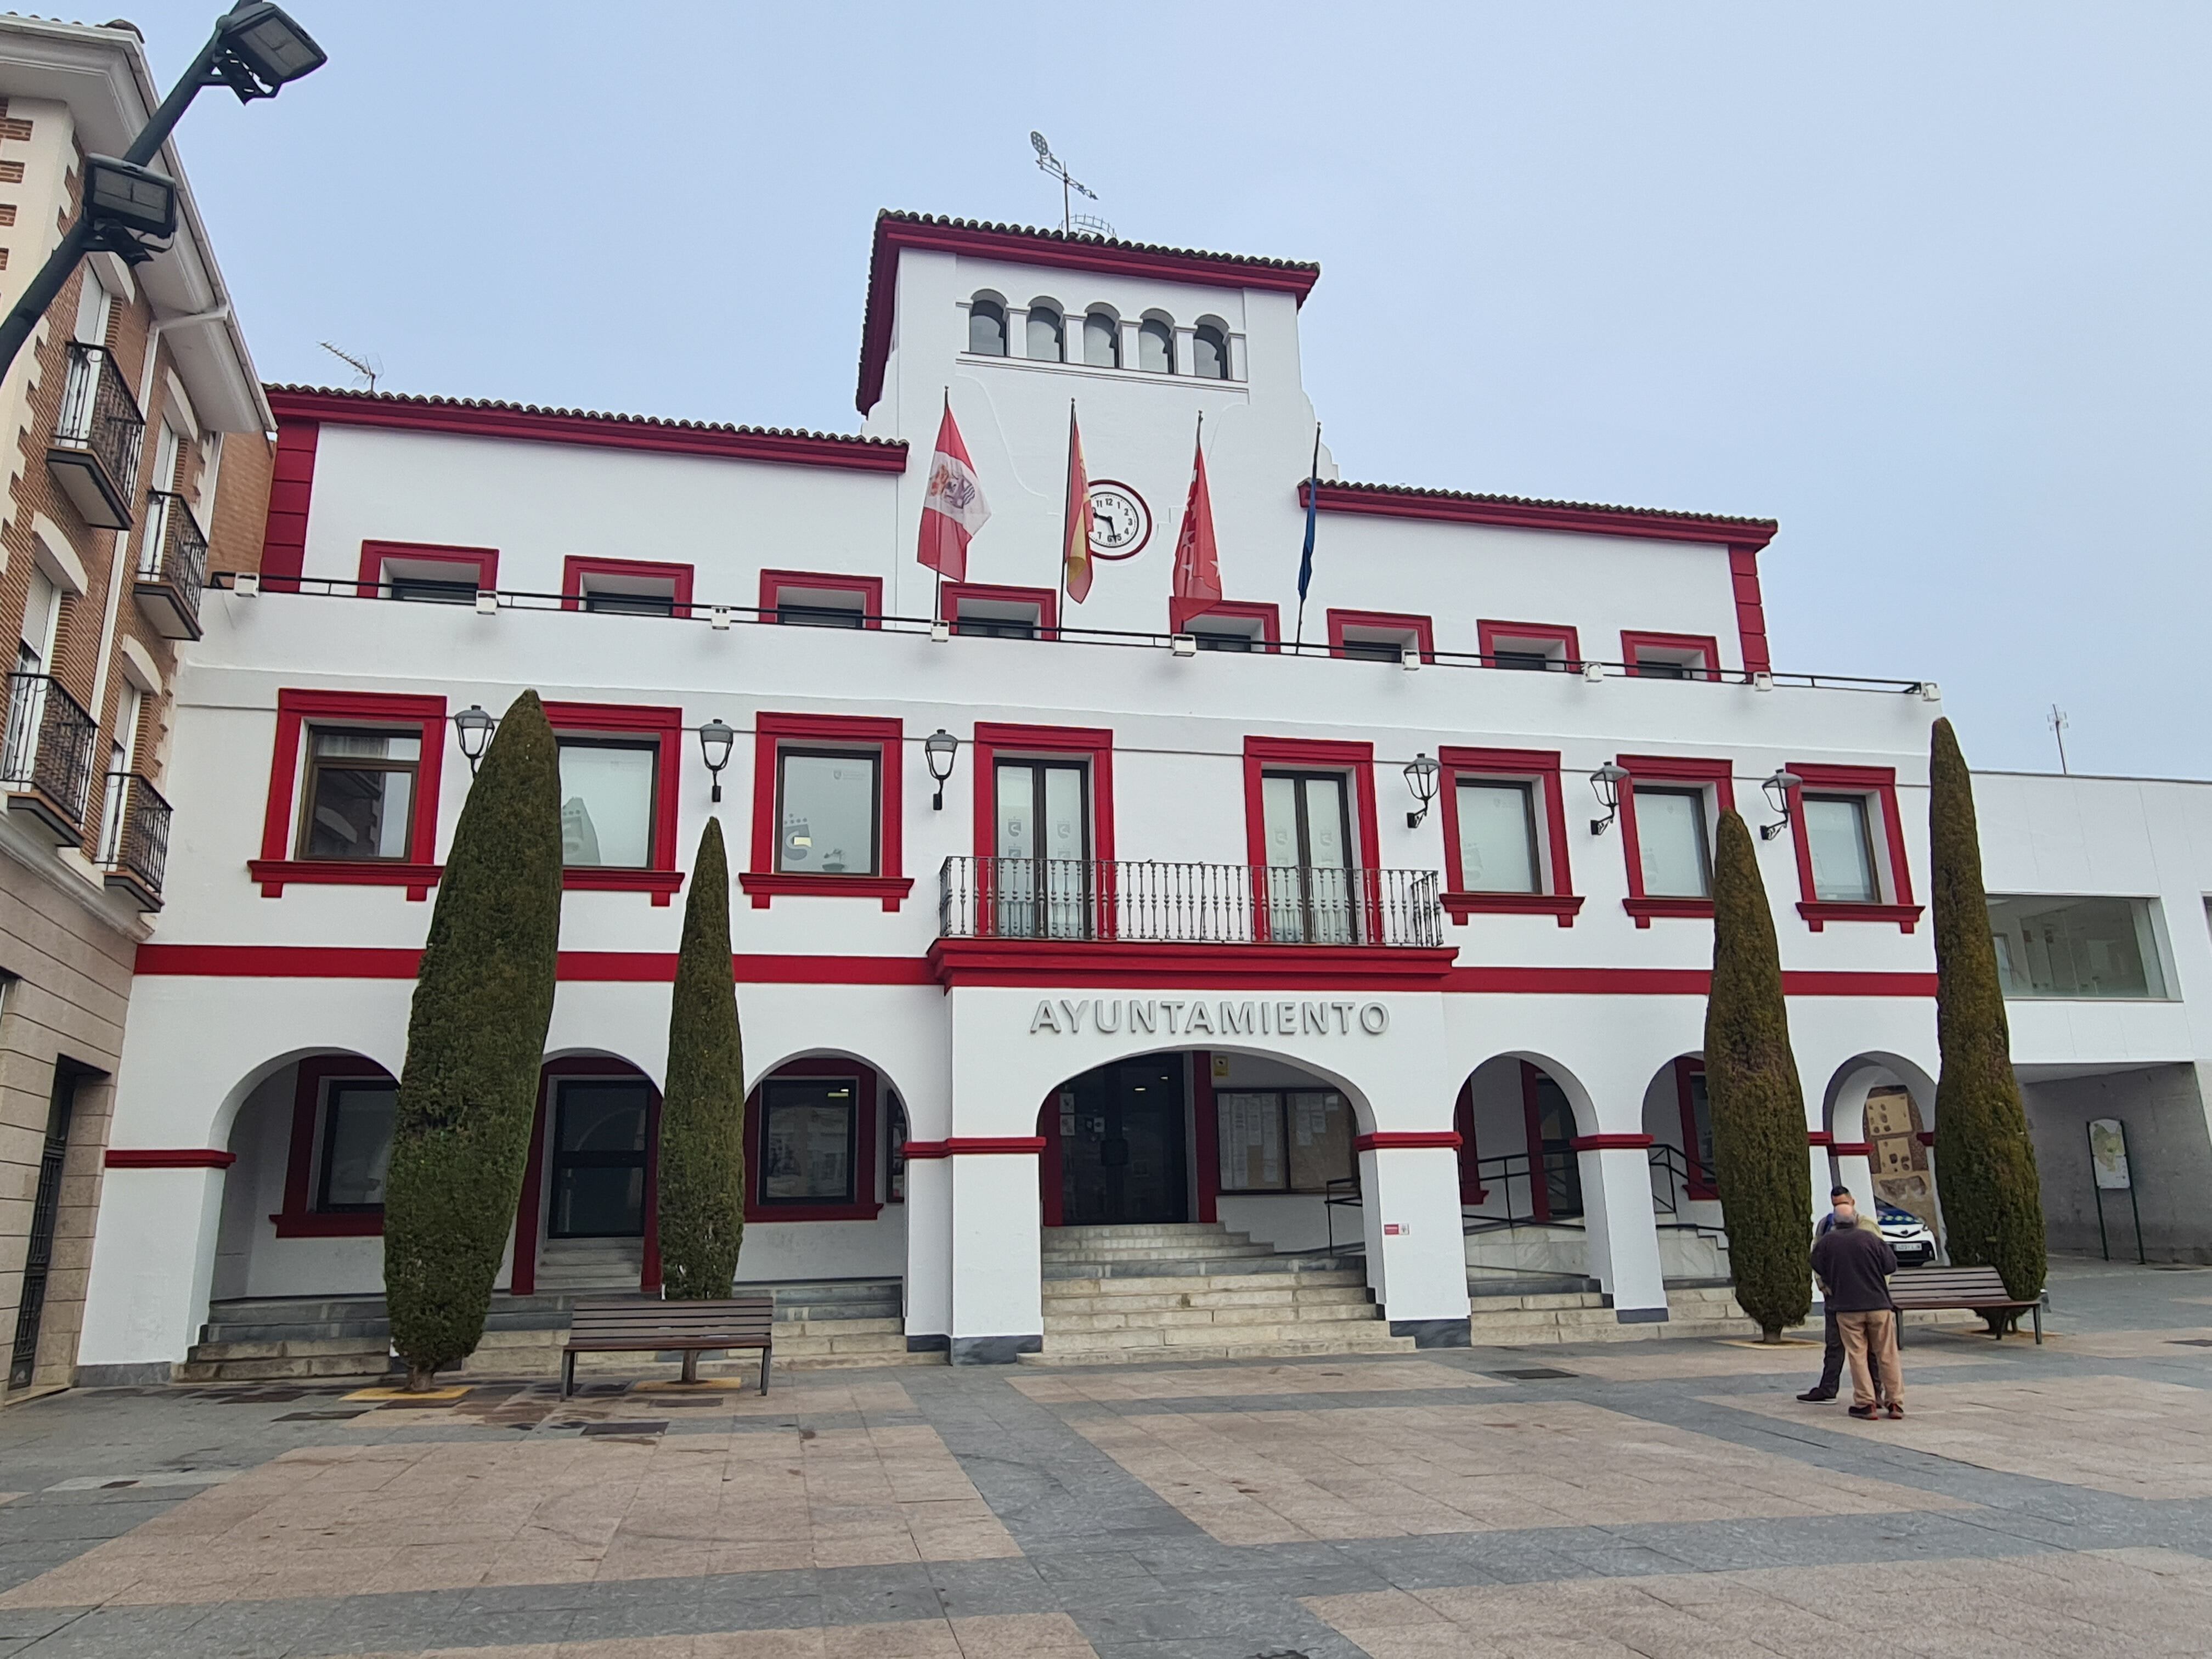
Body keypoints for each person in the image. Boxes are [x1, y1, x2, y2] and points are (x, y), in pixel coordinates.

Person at [1809, 1194, 1904, 1419]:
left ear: (1835, 1223)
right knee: (1887, 1354)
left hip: (1847, 1307)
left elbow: (1816, 1265)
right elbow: (1890, 1266)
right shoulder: (1871, 1239)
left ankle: (1866, 1403)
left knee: (1857, 1354)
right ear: (1854, 1219)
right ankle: (1895, 1402)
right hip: (1878, 1304)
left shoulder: (1827, 1243)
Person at [1798, 1186, 1856, 1403]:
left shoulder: (1865, 1225)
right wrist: (1822, 1285)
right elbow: (1817, 1256)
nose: (1839, 1209)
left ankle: (1876, 1393)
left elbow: (1884, 1261)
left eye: (1843, 1204)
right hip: (1835, 1296)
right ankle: (1828, 1388)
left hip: (1861, 1295)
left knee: (1868, 1349)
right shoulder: (1825, 1225)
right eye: (1835, 1205)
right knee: (1834, 1344)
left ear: (1852, 1202)